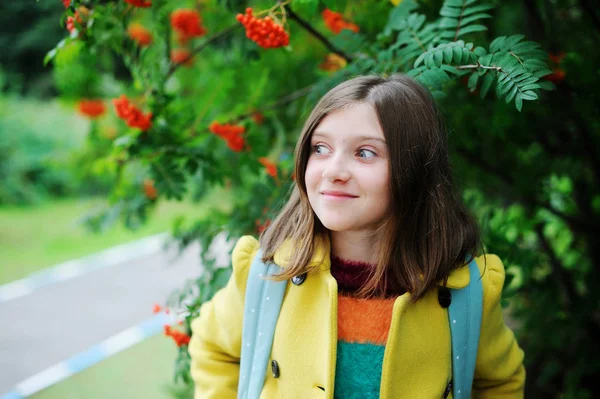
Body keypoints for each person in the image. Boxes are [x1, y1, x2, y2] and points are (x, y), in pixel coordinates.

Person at [188, 74, 525, 398]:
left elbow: (500, 382)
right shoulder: (269, 275)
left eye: (365, 153)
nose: (334, 171)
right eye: (320, 148)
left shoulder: (464, 289)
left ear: (414, 170)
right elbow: (213, 346)